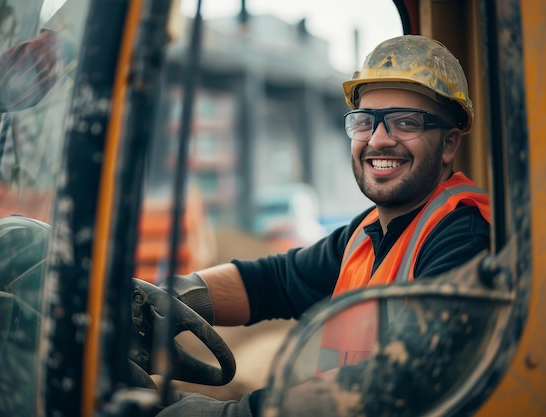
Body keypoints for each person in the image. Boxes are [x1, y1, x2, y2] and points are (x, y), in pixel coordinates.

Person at [151, 34, 491, 417]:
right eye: (366, 121)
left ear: (448, 144)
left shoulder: (464, 239)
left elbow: (400, 379)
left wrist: (233, 414)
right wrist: (173, 298)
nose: (378, 139)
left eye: (405, 122)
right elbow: (275, 281)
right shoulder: (365, 235)